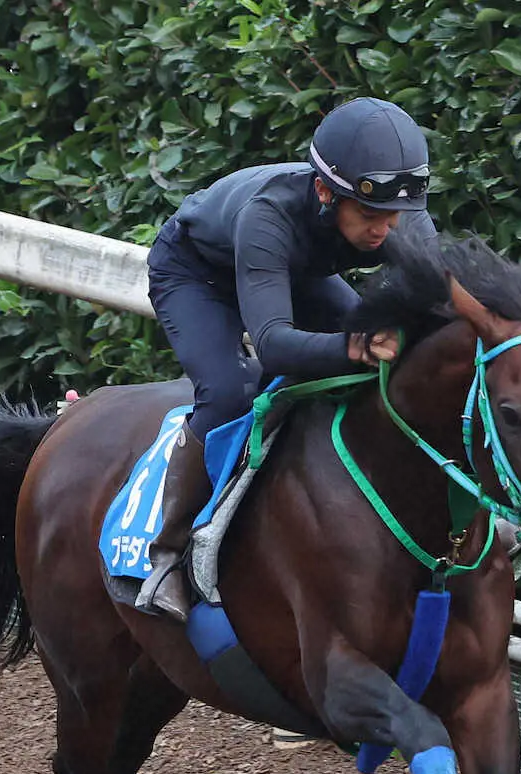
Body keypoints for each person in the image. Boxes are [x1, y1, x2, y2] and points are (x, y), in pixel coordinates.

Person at [136, 96, 437, 622]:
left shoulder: (391, 214)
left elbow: (438, 293)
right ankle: (168, 553)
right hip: (196, 273)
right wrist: (354, 346)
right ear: (325, 191)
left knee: (380, 366)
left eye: (396, 218)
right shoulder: (269, 214)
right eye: (369, 216)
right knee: (232, 391)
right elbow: (274, 342)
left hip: (293, 272)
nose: (384, 232)